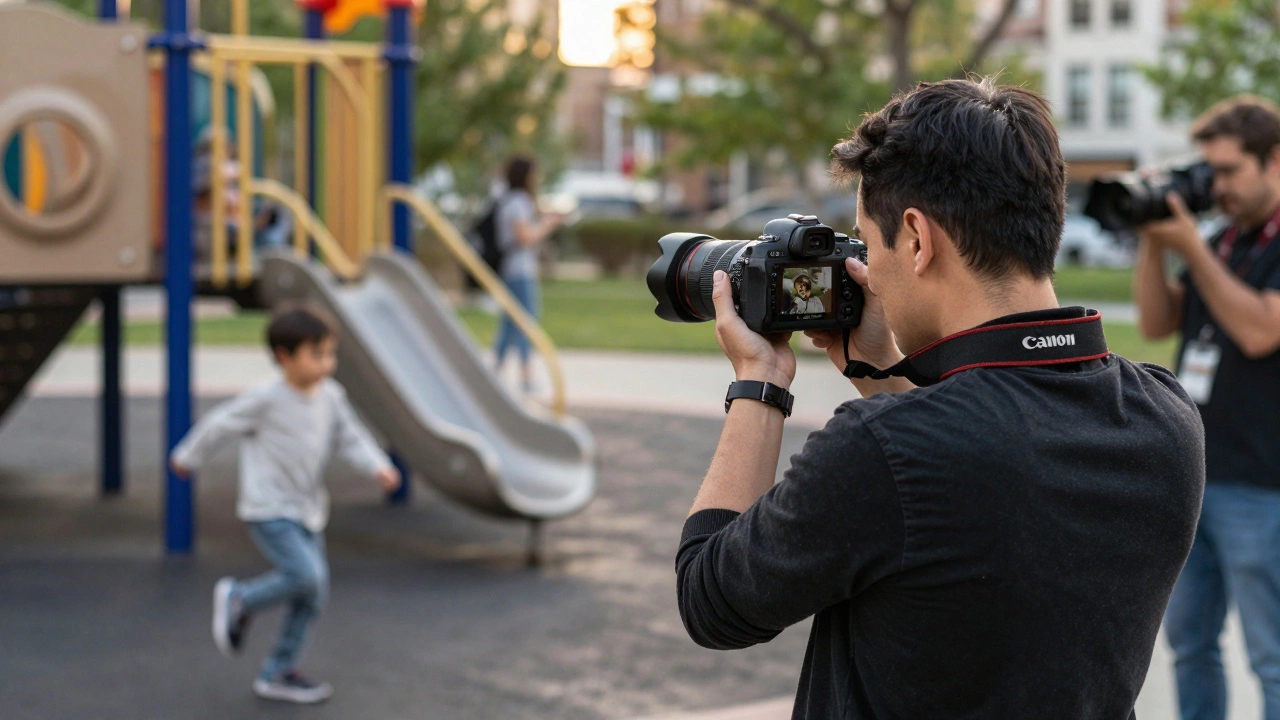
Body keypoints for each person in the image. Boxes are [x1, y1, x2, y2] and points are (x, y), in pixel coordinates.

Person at [674, 78, 1205, 719]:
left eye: (870, 245)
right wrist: (878, 369)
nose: (870, 270)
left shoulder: (882, 449)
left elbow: (713, 602)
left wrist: (759, 380)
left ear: (918, 240)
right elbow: (985, 474)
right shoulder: (1167, 417)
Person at [169, 305, 401, 704]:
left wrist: (377, 465)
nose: (327, 363)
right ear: (284, 357)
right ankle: (240, 599)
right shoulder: (266, 399)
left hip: (308, 510)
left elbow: (352, 437)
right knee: (306, 577)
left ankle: (277, 671)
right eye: (317, 354)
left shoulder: (331, 397)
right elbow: (219, 425)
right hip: (269, 509)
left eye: (330, 353)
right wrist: (188, 457)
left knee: (313, 594)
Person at [1132, 96, 1280, 720]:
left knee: (1271, 656)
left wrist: (1193, 249)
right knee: (1190, 646)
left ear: (1274, 161)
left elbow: (1259, 331)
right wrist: (1152, 241)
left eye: (1229, 171)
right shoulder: (1220, 239)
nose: (1216, 187)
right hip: (1193, 479)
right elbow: (1157, 319)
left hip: (1262, 486)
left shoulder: (1225, 247)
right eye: (1209, 172)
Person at [492, 156, 563, 393]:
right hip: (519, 271)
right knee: (525, 322)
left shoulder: (507, 201)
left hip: (509, 270)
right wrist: (547, 224)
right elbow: (525, 237)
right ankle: (526, 378)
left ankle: (494, 373)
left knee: (509, 323)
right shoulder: (518, 202)